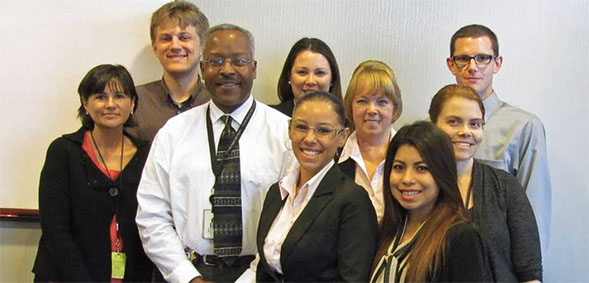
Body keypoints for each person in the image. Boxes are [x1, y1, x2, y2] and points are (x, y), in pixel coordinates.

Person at [136, 24, 295, 283]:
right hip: (188, 271)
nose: (227, 70)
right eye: (215, 61)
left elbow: (292, 216)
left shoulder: (284, 134)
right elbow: (152, 213)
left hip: (259, 273)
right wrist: (186, 277)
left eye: (239, 61)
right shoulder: (173, 132)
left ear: (254, 69)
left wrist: (252, 277)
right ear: (202, 69)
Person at [32, 64, 153, 282]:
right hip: (66, 275)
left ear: (132, 103)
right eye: (100, 96)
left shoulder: (148, 154)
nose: (110, 104)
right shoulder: (63, 151)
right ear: (85, 103)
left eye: (119, 96)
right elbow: (54, 228)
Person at [446, 24, 551, 252]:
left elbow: (534, 214)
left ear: (497, 63)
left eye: (483, 58)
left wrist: (530, 273)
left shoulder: (523, 127)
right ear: (451, 64)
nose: (472, 67)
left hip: (499, 264)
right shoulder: (436, 127)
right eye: (463, 58)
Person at [256, 91, 378, 282]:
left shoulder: (352, 200)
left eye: (323, 130)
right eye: (301, 127)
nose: (310, 138)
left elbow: (353, 279)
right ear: (290, 129)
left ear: (343, 137)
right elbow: (266, 270)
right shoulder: (277, 192)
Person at [429, 84, 542, 282]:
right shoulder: (416, 186)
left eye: (475, 124)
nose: (466, 132)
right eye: (454, 122)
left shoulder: (504, 186)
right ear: (432, 125)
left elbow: (530, 272)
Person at [371, 121, 491, 282]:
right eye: (399, 167)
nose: (407, 179)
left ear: (442, 173)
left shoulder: (460, 237)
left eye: (421, 168)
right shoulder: (387, 231)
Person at [127, 1, 210, 141]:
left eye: (184, 37)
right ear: (155, 47)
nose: (175, 46)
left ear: (203, 45)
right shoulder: (135, 102)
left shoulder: (217, 101)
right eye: (166, 38)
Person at [339, 60, 403, 225]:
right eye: (362, 101)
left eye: (382, 102)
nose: (372, 110)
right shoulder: (332, 158)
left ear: (394, 108)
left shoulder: (412, 156)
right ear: (350, 106)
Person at [272, 37, 343, 116]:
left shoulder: (347, 124)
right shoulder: (270, 118)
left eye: (320, 73)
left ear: (332, 78)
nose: (310, 81)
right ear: (289, 76)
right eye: (302, 72)